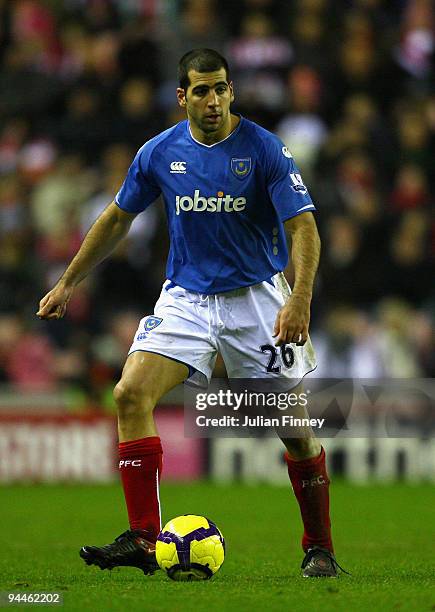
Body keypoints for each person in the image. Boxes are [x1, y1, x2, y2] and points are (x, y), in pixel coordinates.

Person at [37, 49, 342, 578]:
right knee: (130, 393)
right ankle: (142, 537)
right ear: (183, 97)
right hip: (186, 299)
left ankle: (319, 547)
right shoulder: (158, 152)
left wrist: (300, 298)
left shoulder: (265, 150)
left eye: (221, 88)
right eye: (201, 90)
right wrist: (67, 282)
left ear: (231, 92)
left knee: (293, 432)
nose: (213, 99)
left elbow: (303, 227)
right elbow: (115, 218)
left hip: (256, 300)